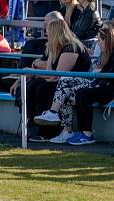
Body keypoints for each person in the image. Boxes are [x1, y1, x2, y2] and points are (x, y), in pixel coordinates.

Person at [34, 22, 114, 145]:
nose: (98, 43)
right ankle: (67, 130)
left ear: (107, 40)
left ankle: (86, 133)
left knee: (82, 93)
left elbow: (111, 76)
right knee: (67, 87)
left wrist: (95, 84)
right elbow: (102, 75)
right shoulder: (111, 52)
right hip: (104, 85)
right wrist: (95, 82)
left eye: (100, 40)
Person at [11, 13, 91, 142]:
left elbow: (57, 75)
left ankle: (50, 129)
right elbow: (49, 73)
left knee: (43, 89)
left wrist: (31, 71)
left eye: (48, 31)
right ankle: (33, 126)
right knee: (33, 85)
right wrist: (31, 74)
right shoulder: (53, 47)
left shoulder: (71, 47)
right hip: (61, 82)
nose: (46, 34)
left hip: (77, 83)